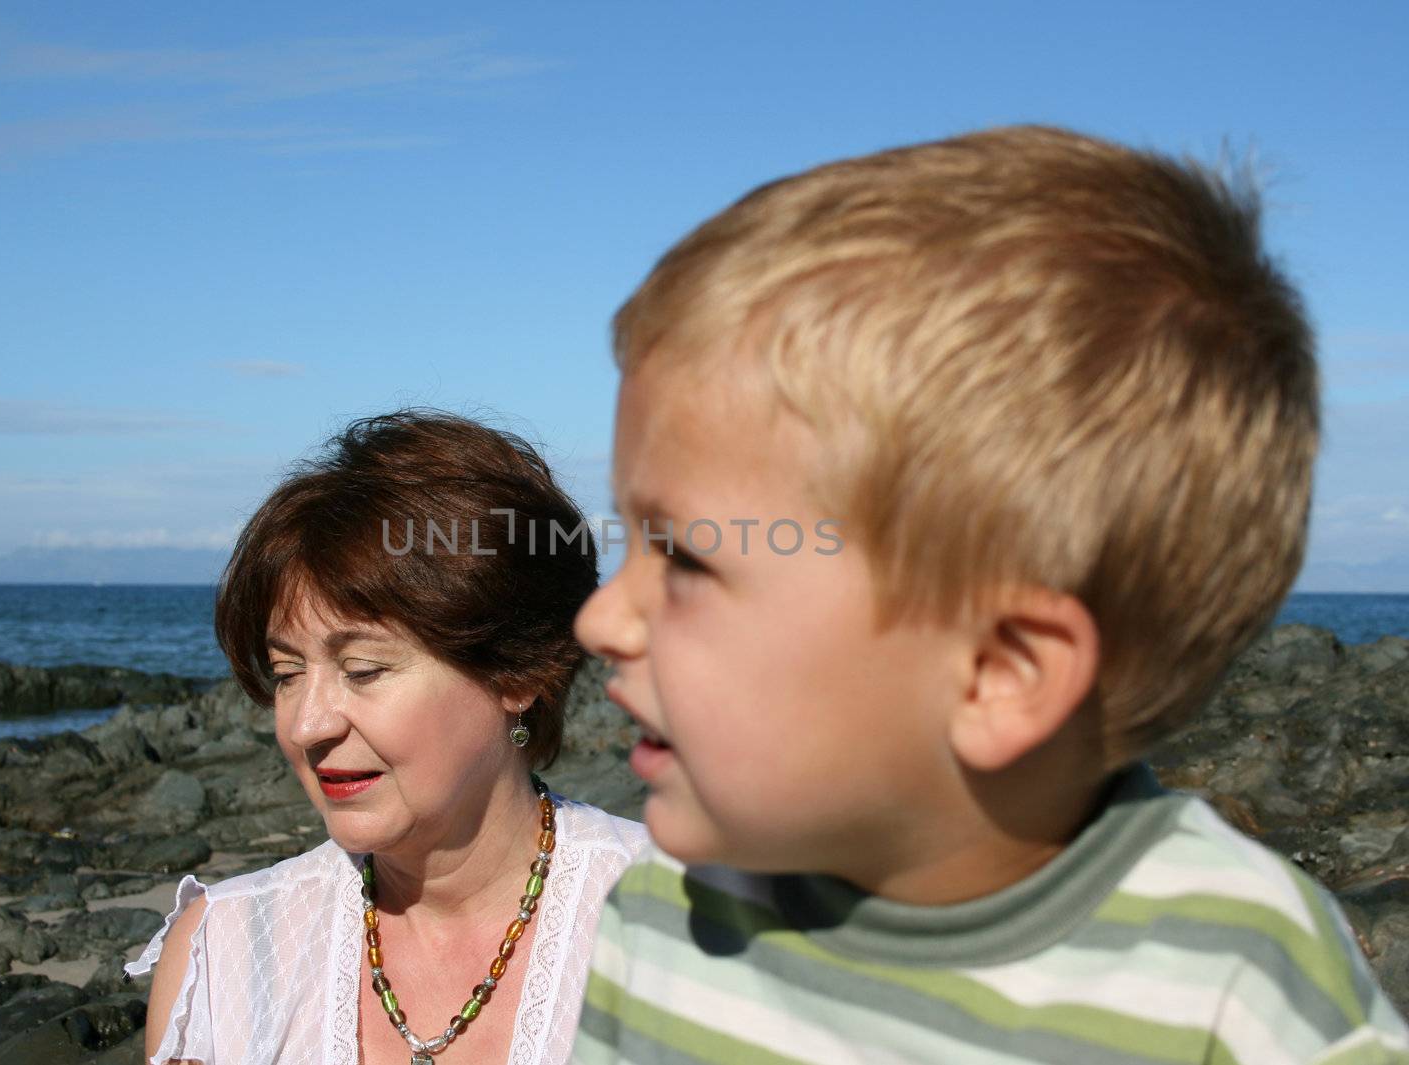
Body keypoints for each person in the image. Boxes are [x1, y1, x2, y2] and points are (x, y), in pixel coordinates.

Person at [569, 126, 1409, 1063]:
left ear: (998, 674)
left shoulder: (1239, 993)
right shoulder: (663, 917)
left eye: (683, 557)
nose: (598, 618)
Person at [126, 410, 648, 1065]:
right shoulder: (226, 952)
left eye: (364, 669)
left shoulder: (695, 929)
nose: (307, 724)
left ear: (518, 669)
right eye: (288, 673)